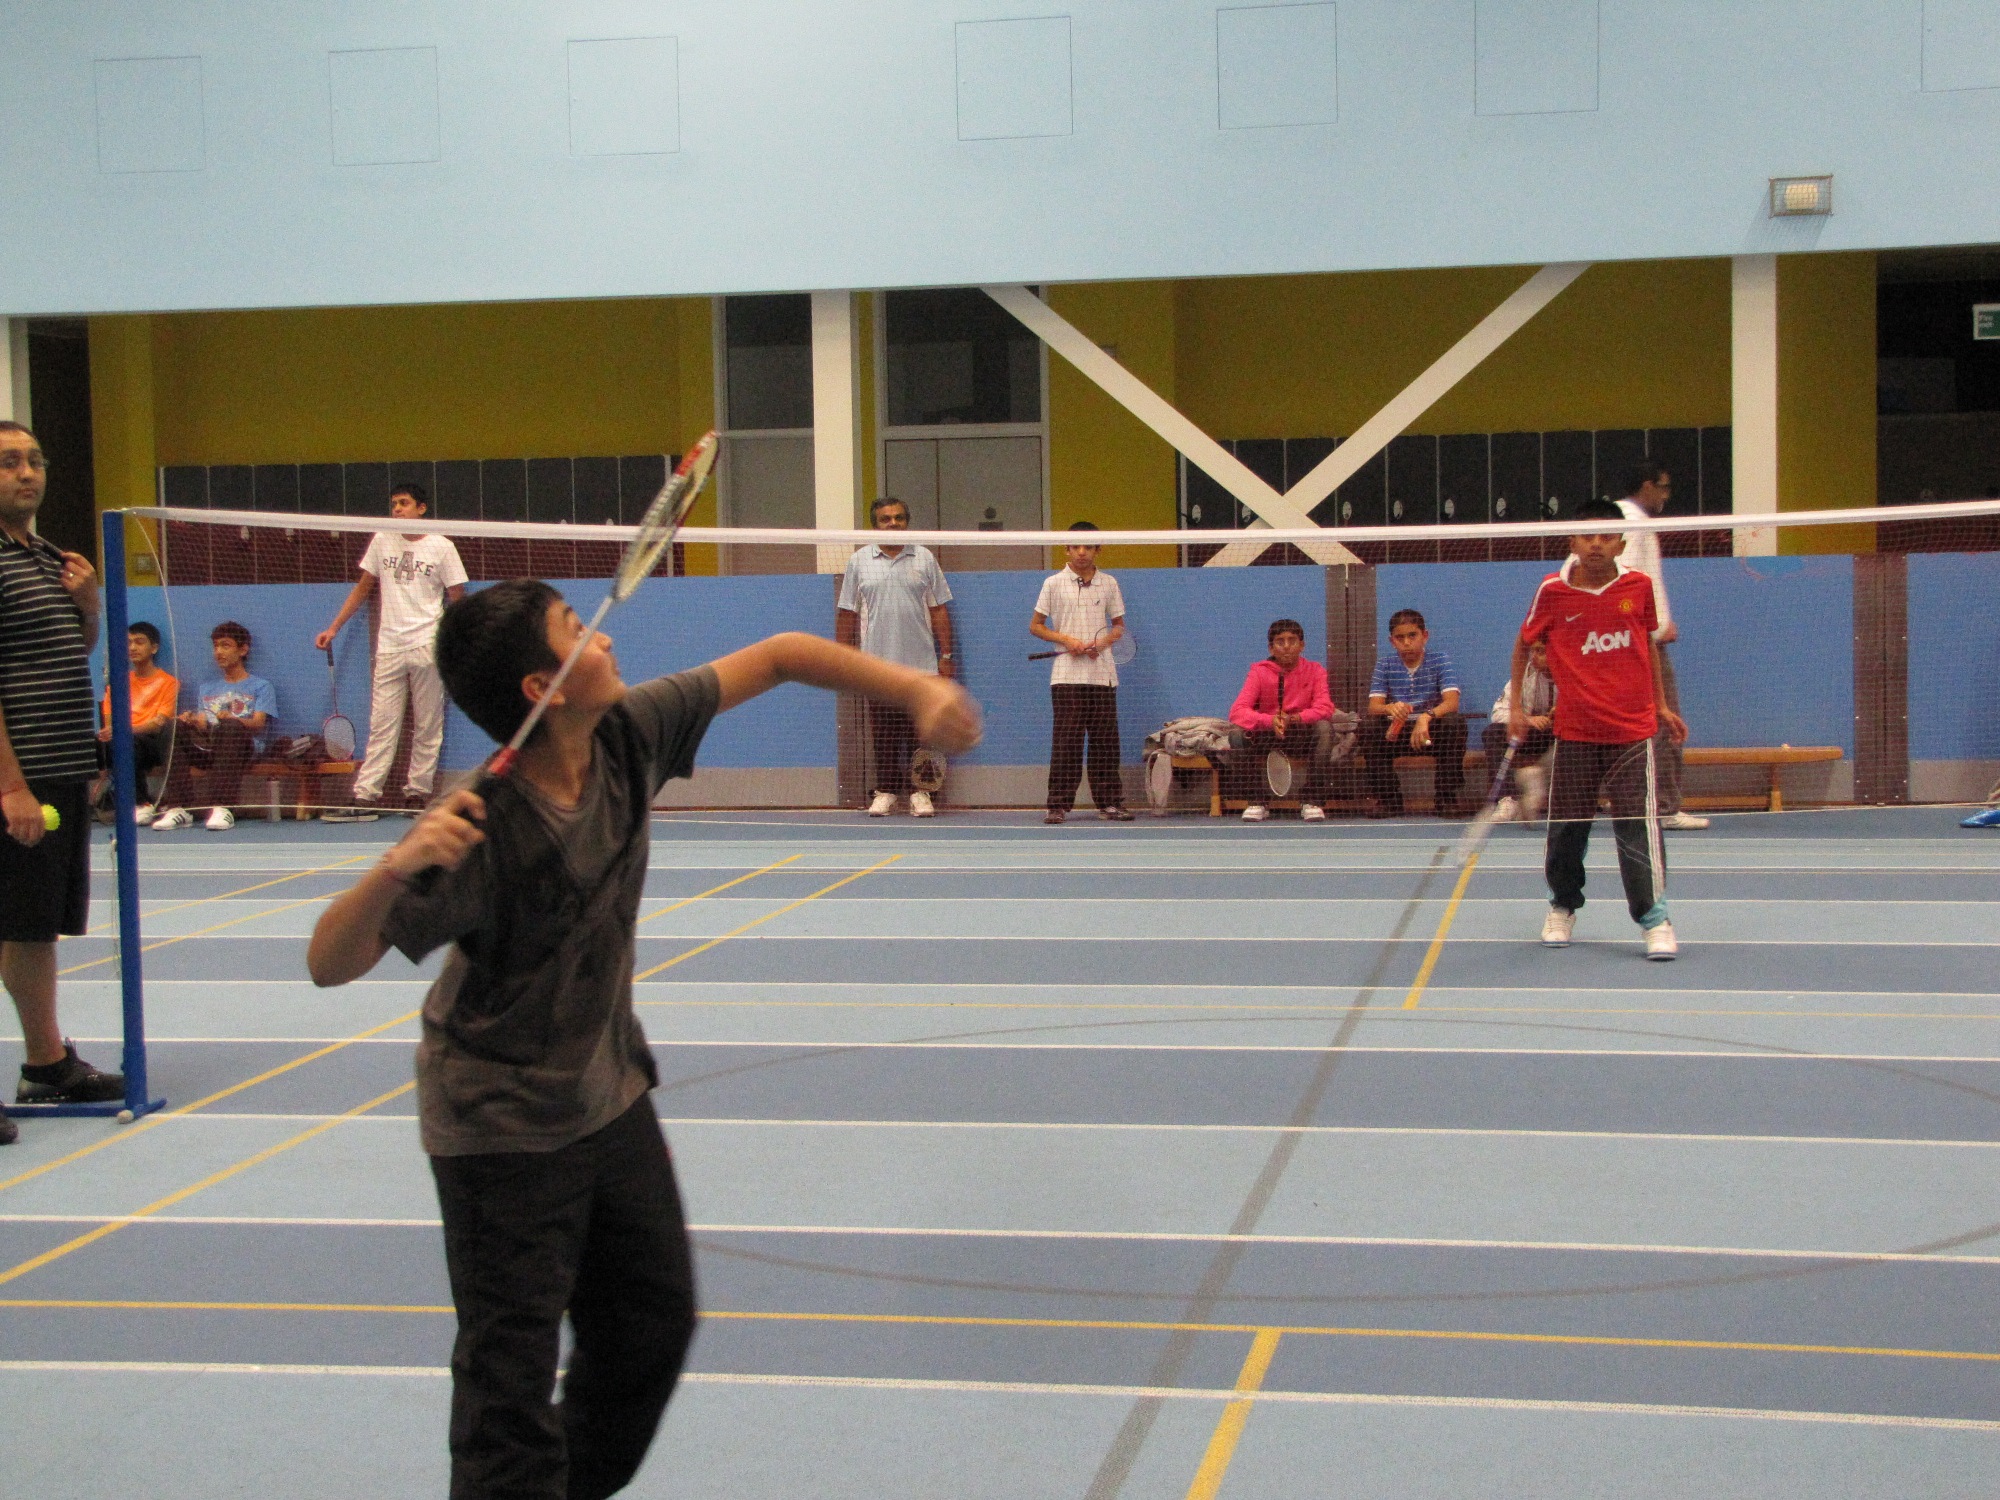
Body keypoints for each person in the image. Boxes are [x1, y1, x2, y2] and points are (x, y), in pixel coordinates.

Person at [306, 578, 981, 1499]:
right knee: (508, 1389)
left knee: (649, 1325)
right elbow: (328, 961)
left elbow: (784, 653)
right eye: (579, 630)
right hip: (500, 1128)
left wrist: (912, 688)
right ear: (542, 687)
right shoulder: (482, 824)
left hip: (607, 1094)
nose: (606, 638)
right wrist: (394, 867)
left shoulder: (630, 733)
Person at [0, 419, 126, 1144]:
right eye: (11, 462)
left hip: (58, 765)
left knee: (32, 924)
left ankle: (45, 1065)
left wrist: (87, 606)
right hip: (16, 775)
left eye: (35, 460)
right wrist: (10, 786)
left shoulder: (49, 557)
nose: (28, 473)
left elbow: (66, 652)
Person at [1510, 498, 1688, 961]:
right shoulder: (1551, 592)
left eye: (1605, 535)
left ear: (1621, 543)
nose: (1595, 543)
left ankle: (1655, 920)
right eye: (1586, 535)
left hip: (1633, 731)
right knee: (1568, 830)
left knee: (1637, 829)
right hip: (1575, 733)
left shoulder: (1639, 587)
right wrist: (1514, 709)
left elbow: (1647, 648)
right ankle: (1563, 907)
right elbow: (1523, 643)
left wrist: (1663, 706)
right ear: (1572, 542)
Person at [315, 482, 468, 821]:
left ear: (421, 508)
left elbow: (458, 597)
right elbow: (362, 588)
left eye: (404, 503)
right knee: (383, 723)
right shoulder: (383, 540)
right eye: (394, 504)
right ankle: (366, 796)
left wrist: (457, 641)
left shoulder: (442, 547)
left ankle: (417, 794)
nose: (397, 509)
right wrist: (334, 627)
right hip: (390, 647)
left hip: (428, 645)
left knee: (428, 724)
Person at [836, 496, 955, 817]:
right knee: (885, 732)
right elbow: (847, 612)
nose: (893, 523)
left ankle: (922, 793)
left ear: (907, 521)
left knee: (922, 732)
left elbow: (939, 609)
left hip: (922, 666)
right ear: (875, 525)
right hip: (877, 667)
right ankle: (886, 791)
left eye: (899, 518)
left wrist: (946, 654)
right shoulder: (859, 561)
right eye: (886, 519)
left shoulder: (925, 558)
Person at [1617, 462, 1708, 830]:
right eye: (1664, 487)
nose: (1666, 496)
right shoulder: (1630, 522)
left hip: (1637, 641)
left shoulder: (1628, 520)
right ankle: (1664, 807)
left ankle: (1653, 804)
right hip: (1640, 647)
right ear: (1647, 485)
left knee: (1639, 726)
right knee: (1663, 722)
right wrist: (1652, 629)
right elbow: (1623, 581)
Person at [1031, 521, 1132, 823]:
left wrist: (1099, 644)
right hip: (1066, 676)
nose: (1082, 552)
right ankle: (1058, 805)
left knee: (1105, 741)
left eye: (1089, 546)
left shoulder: (1109, 583)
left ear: (1098, 550)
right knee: (1067, 742)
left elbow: (1119, 628)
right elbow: (1035, 626)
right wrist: (1067, 640)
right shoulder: (1052, 583)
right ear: (1067, 548)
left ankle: (1109, 803)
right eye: (1076, 546)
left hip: (1102, 674)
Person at [150, 621, 276, 831]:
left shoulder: (261, 686)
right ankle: (180, 808)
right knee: (172, 727)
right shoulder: (207, 688)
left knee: (229, 726)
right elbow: (205, 724)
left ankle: (223, 807)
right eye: (216, 646)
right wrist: (193, 721)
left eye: (225, 646)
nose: (218, 652)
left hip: (243, 749)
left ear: (243, 649)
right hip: (210, 748)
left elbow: (258, 724)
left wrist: (232, 720)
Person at [1227, 618, 1349, 823]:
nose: (1286, 646)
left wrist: (1296, 718)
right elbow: (1237, 711)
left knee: (1325, 728)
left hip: (1301, 735)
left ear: (1302, 645)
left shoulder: (1315, 670)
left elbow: (1325, 707)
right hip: (1268, 735)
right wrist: (1269, 720)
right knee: (1236, 735)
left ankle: (1312, 800)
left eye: (1292, 640)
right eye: (1280, 641)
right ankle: (1256, 801)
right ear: (1271, 647)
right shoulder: (1258, 672)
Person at [1360, 608, 1466, 817]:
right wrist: (1389, 707)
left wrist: (1427, 717)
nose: (1407, 642)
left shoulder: (1440, 660)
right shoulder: (1385, 664)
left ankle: (1446, 798)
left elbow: (1452, 702)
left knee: (1455, 722)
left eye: (1412, 636)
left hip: (1430, 734)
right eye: (1400, 638)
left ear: (1424, 636)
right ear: (1392, 641)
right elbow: (1374, 706)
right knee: (1368, 727)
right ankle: (1389, 799)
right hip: (1397, 733)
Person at [96, 620, 179, 823]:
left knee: (127, 743)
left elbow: (159, 723)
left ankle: (142, 804)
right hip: (120, 739)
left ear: (154, 648)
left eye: (139, 642)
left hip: (152, 743)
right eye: (129, 642)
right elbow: (109, 722)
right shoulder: (117, 683)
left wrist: (124, 731)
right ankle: (94, 803)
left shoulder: (169, 683)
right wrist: (110, 732)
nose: (132, 647)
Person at [1482, 638, 1556, 822]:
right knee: (1493, 732)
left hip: (1560, 736)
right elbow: (1498, 712)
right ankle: (1508, 799)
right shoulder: (1523, 675)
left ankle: (1561, 794)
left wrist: (1563, 714)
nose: (1534, 657)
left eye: (1541, 652)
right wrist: (1527, 720)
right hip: (1530, 735)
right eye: (1533, 651)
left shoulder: (1573, 676)